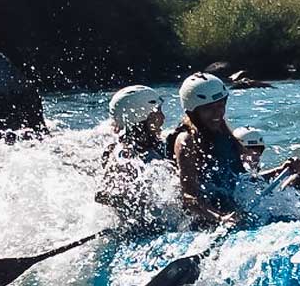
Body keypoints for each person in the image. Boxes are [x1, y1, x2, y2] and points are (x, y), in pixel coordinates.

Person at [168, 72, 247, 227]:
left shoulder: (222, 131)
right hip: (202, 221)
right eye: (208, 109)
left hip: (229, 213)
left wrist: (279, 171)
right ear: (193, 112)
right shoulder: (186, 140)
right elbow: (189, 196)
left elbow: (242, 179)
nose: (218, 113)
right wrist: (219, 218)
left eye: (220, 105)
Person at [96, 85, 168, 220]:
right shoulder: (125, 154)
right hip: (142, 228)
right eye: (158, 112)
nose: (163, 117)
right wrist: (139, 204)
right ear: (142, 117)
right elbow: (102, 195)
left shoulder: (152, 145)